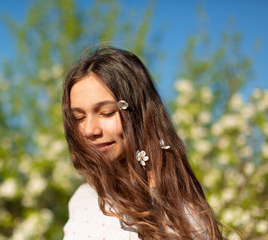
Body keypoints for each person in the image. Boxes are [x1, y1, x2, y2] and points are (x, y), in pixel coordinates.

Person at [61, 46, 224, 239]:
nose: (90, 130)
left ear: (139, 113)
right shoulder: (83, 199)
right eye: (79, 118)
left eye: (107, 113)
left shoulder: (180, 211)